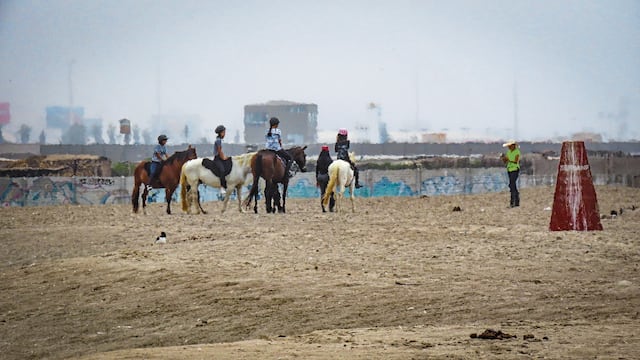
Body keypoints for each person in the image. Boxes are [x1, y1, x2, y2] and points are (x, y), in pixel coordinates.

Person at [501, 139, 521, 207]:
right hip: (509, 169)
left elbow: (515, 161)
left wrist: (508, 159)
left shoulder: (517, 152)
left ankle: (513, 201)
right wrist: (503, 158)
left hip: (515, 169)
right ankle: (516, 200)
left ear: (513, 146)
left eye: (510, 146)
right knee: (512, 185)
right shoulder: (508, 152)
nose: (509, 147)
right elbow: (505, 161)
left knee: (512, 184)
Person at [316, 145, 335, 212]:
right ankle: (331, 207)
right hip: (327, 177)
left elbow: (317, 170)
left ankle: (323, 208)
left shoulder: (319, 160)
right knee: (331, 193)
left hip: (320, 177)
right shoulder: (330, 160)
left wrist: (317, 180)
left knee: (323, 193)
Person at [213, 125, 228, 189]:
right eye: (223, 132)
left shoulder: (219, 140)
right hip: (218, 158)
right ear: (220, 133)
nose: (224, 134)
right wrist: (224, 158)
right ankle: (222, 186)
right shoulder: (218, 140)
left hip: (220, 157)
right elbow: (219, 151)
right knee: (222, 170)